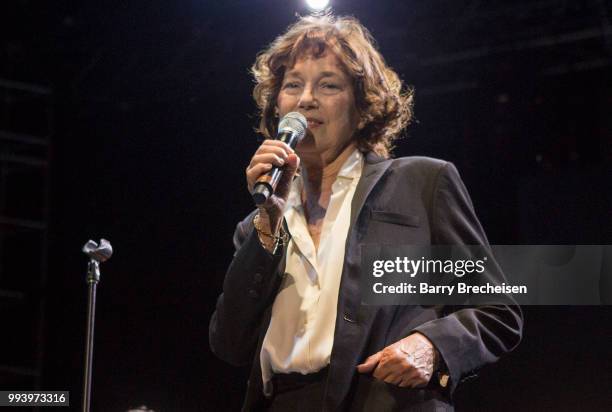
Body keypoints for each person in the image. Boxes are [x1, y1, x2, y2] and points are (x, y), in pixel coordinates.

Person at [209, 14, 522, 412]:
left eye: (328, 84)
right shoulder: (258, 224)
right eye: (292, 85)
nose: (306, 98)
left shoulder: (421, 183)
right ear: (277, 107)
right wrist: (267, 224)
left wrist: (433, 346)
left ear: (362, 106)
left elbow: (497, 309)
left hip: (381, 401)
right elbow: (229, 343)